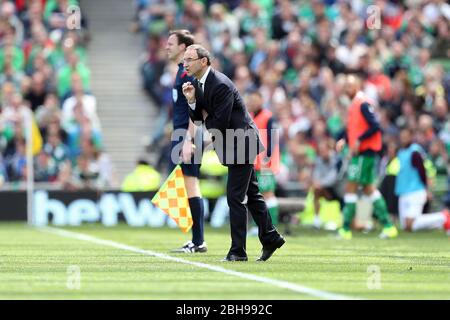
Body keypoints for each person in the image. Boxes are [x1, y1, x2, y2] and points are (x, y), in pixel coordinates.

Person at [181, 44, 285, 262]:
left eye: (189, 59)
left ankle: (238, 251)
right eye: (185, 59)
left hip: (242, 144)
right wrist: (192, 101)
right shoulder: (200, 84)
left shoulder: (219, 84)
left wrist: (205, 114)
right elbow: (199, 120)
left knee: (235, 198)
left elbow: (219, 122)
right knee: (253, 196)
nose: (185, 63)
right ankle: (271, 237)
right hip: (234, 144)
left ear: (204, 61)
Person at [336, 75, 398, 240]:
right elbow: (357, 129)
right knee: (369, 189)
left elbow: (375, 126)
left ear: (357, 86)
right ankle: (388, 226)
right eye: (345, 87)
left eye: (349, 86)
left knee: (351, 187)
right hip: (361, 153)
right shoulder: (355, 105)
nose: (346, 89)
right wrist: (346, 140)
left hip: (365, 153)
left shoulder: (363, 103)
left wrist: (358, 140)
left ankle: (346, 229)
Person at [165, 30, 207, 253]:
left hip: (187, 135)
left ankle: (199, 241)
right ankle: (196, 238)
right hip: (181, 134)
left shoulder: (188, 73)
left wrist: (189, 139)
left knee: (190, 184)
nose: (166, 46)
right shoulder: (180, 71)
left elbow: (197, 107)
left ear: (183, 48)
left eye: (170, 43)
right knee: (180, 184)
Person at [395, 128, 450, 234]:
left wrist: (426, 189)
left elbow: (422, 172)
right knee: (405, 226)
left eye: (406, 136)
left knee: (412, 224)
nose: (403, 138)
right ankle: (441, 220)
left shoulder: (415, 152)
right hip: (403, 191)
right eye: (402, 136)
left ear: (411, 136)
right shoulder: (401, 152)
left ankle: (444, 217)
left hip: (416, 191)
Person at [246, 90, 279, 234]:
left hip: (266, 163)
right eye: (250, 100)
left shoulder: (268, 117)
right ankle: (259, 226)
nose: (252, 103)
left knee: (268, 194)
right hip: (255, 163)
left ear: (261, 100)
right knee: (257, 195)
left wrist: (268, 157)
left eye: (254, 100)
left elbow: (273, 138)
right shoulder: (251, 117)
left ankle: (273, 226)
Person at [312, 140, 341, 229]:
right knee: (316, 191)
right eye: (320, 151)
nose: (322, 153)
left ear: (329, 149)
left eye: (323, 151)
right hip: (326, 188)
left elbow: (334, 177)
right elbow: (316, 173)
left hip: (339, 189)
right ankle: (317, 219)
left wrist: (321, 183)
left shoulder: (337, 159)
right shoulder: (319, 160)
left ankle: (338, 220)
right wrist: (317, 182)